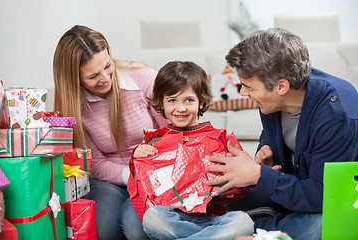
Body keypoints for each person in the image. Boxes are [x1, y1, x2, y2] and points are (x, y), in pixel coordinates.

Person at [205, 28, 358, 240]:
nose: (243, 93)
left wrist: (258, 175)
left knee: (324, 225)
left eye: (248, 86)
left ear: (281, 86)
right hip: (290, 191)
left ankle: (250, 227)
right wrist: (264, 157)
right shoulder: (270, 100)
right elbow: (269, 136)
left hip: (324, 199)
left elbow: (323, 196)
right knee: (218, 195)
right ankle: (246, 226)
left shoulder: (336, 115)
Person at [53, 25, 169, 240]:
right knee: (102, 229)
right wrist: (129, 174)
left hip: (152, 173)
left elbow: (171, 132)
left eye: (108, 66)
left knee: (137, 227)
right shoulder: (74, 107)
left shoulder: (142, 78)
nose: (105, 78)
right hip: (109, 179)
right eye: (93, 76)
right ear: (75, 79)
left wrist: (146, 171)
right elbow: (94, 163)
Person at [129, 61, 254, 240]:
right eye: (172, 100)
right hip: (175, 218)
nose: (181, 108)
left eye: (189, 100)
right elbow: (141, 188)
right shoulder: (154, 142)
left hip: (214, 218)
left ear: (201, 102)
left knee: (243, 221)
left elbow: (240, 189)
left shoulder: (220, 139)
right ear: (161, 104)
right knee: (152, 218)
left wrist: (237, 182)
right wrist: (136, 156)